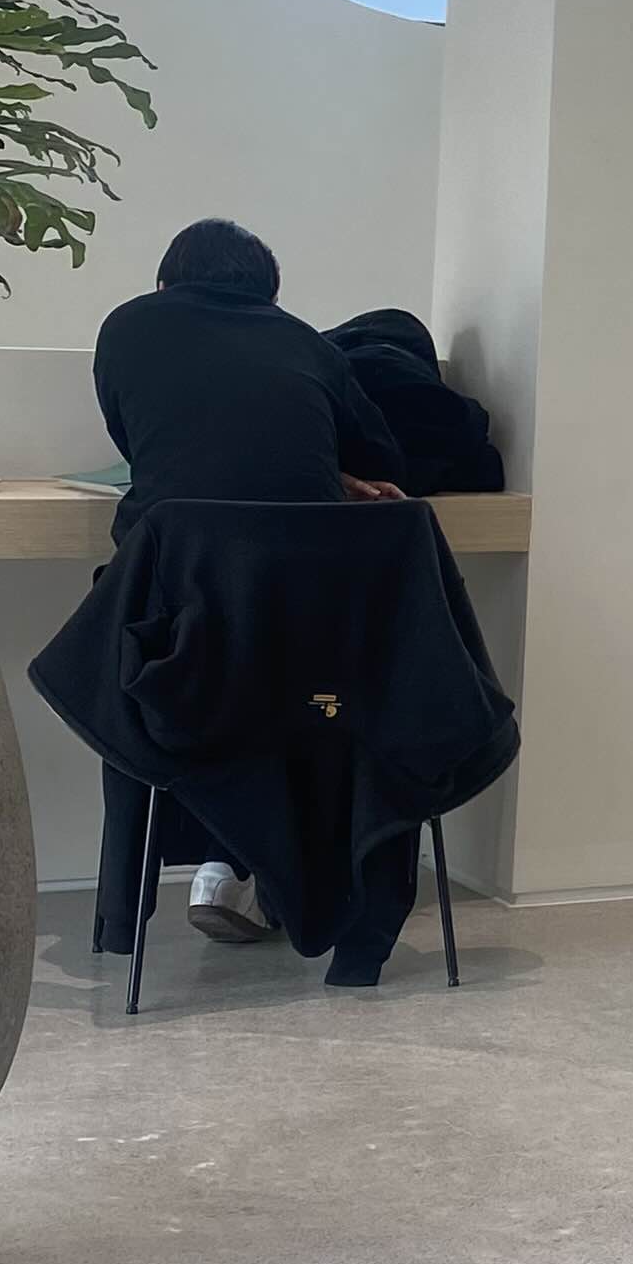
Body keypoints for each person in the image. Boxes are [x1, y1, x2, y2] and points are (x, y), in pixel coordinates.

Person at [90, 218, 408, 946]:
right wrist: (329, 471)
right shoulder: (307, 343)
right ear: (269, 295)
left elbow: (138, 442)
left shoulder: (126, 328)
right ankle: (248, 865)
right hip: (311, 636)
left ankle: (149, 896)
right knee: (292, 688)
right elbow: (384, 457)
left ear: (165, 283)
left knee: (157, 659)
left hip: (168, 630)